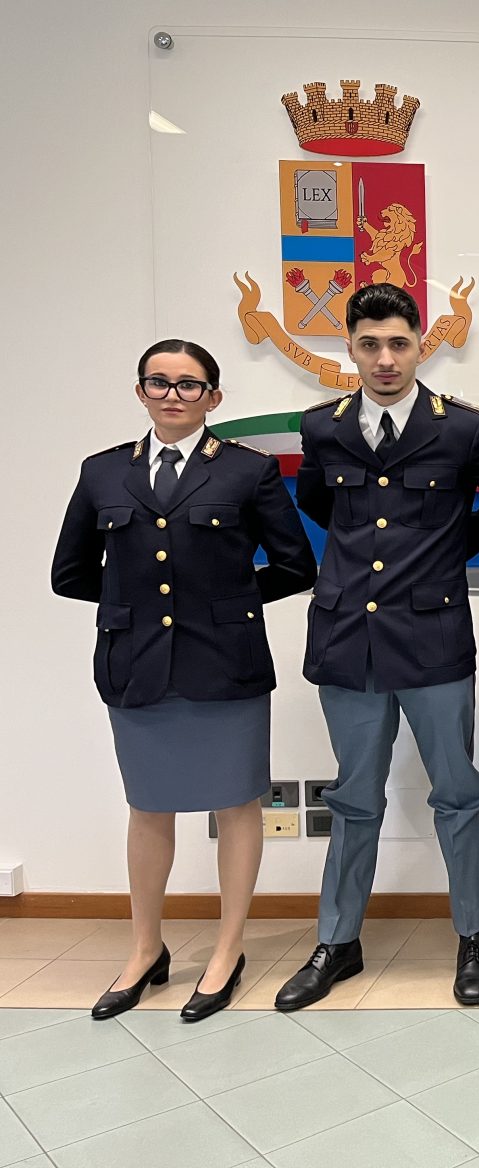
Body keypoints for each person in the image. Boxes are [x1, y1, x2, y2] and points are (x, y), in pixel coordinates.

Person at [52, 339, 316, 1022]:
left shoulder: (247, 470)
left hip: (225, 662)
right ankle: (146, 949)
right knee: (149, 807)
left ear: (214, 397)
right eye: (159, 382)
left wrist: (225, 603)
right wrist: (136, 604)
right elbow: (69, 572)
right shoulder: (103, 471)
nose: (173, 395)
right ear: (140, 391)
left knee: (237, 805)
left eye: (189, 384)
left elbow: (295, 565)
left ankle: (228, 949)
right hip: (136, 664)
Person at [274, 283, 479, 1011]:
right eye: (370, 344)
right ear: (350, 347)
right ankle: (338, 941)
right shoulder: (322, 428)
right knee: (353, 798)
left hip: (433, 638)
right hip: (347, 638)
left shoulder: (463, 429)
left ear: (419, 347)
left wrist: (451, 547)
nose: (385, 359)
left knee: (457, 792)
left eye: (399, 344)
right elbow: (321, 504)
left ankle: (473, 935)